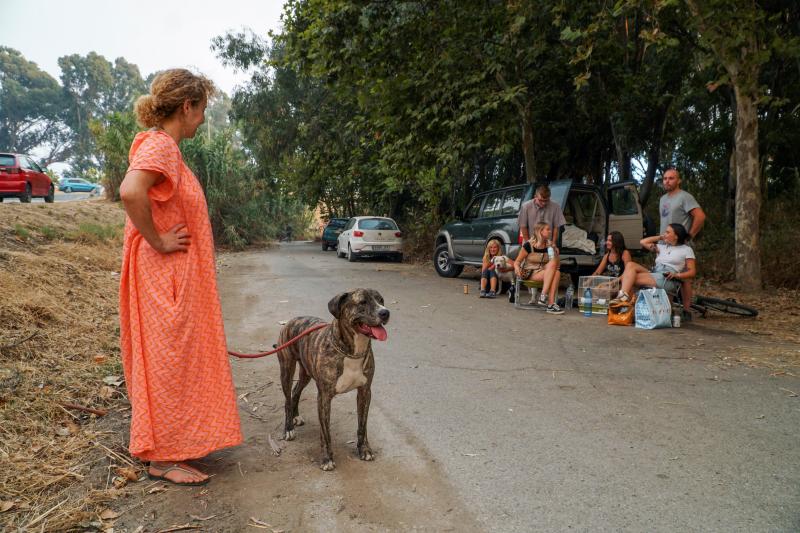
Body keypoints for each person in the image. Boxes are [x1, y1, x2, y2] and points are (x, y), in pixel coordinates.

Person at [119, 69, 242, 486]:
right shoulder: (160, 145)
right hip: (164, 279)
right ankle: (163, 457)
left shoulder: (166, 148)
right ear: (187, 107)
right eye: (203, 109)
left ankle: (178, 445)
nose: (204, 119)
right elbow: (131, 191)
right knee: (169, 361)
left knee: (179, 360)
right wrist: (157, 241)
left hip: (175, 279)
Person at [610, 223, 696, 305]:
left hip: (668, 278)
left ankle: (624, 300)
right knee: (630, 265)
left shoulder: (686, 249)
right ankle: (623, 297)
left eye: (668, 232)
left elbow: (692, 272)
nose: (664, 234)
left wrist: (677, 275)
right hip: (655, 273)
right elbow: (643, 242)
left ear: (676, 236)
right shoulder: (661, 247)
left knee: (630, 279)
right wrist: (660, 237)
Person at [659, 169, 706, 311]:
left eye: (671, 178)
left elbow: (700, 216)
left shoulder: (685, 197)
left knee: (685, 278)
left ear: (678, 180)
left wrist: (689, 235)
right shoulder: (662, 199)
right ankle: (667, 310)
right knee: (665, 275)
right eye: (665, 178)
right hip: (664, 244)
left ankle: (686, 311)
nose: (667, 181)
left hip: (680, 244)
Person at [513, 222, 565, 314]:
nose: (550, 232)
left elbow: (557, 266)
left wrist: (555, 253)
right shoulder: (528, 245)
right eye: (547, 229)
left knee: (556, 271)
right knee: (556, 273)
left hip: (544, 271)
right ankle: (549, 302)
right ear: (540, 231)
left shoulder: (549, 245)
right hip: (529, 272)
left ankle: (545, 298)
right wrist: (517, 268)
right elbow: (517, 261)